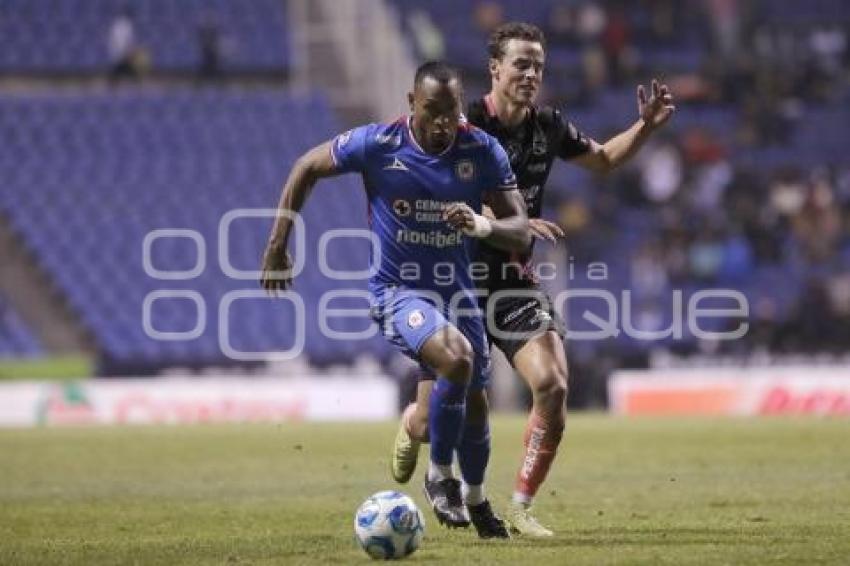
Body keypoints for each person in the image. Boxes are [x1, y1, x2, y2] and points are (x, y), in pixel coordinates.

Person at [390, 22, 676, 537]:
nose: (531, 74)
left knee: (552, 384)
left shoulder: (549, 126)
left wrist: (646, 128)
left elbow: (605, 160)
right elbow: (425, 185)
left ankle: (521, 504)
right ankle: (412, 424)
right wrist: (506, 220)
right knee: (434, 423)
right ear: (494, 68)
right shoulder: (459, 123)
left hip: (511, 282)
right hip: (453, 282)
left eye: (538, 66)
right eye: (521, 63)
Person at [260, 61, 530, 539]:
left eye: (451, 112)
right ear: (411, 103)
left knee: (476, 406)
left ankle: (475, 498)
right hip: (397, 291)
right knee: (458, 359)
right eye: (432, 111)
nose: (443, 123)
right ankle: (438, 476)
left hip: (458, 294)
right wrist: (279, 242)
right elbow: (306, 166)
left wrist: (481, 223)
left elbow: (521, 229)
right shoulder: (378, 143)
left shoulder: (481, 149)